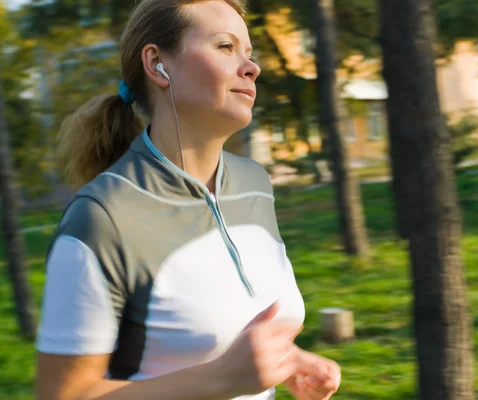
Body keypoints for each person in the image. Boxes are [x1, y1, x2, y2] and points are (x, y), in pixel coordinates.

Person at [34, 1, 341, 399]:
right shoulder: (102, 217)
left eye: (249, 54)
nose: (252, 68)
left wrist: (285, 360)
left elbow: (215, 327)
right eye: (226, 47)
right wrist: (221, 379)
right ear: (157, 64)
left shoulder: (254, 183)